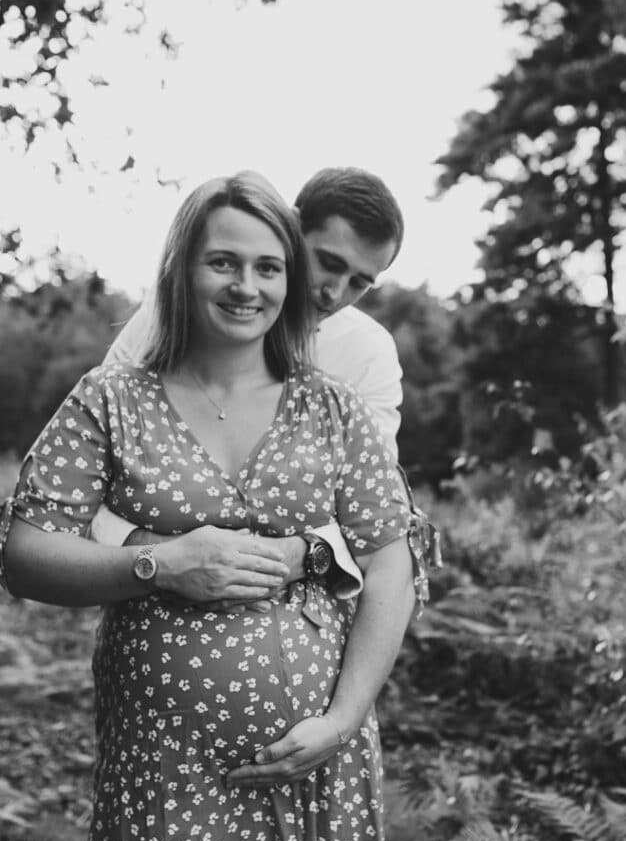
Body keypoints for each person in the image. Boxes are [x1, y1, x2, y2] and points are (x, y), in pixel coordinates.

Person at [0, 171, 431, 841]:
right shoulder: (114, 394)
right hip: (167, 760)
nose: (249, 285)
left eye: (267, 270)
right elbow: (26, 550)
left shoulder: (334, 397)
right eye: (223, 263)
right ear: (183, 268)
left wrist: (339, 720)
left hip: (313, 756)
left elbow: (389, 555)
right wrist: (163, 563)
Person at [91, 167, 411, 608]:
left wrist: (281, 559)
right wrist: (164, 557)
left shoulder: (368, 352)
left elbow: (375, 515)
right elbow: (94, 468)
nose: (335, 293)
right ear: (290, 226)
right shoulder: (166, 318)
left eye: (359, 282)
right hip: (152, 614)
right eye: (330, 263)